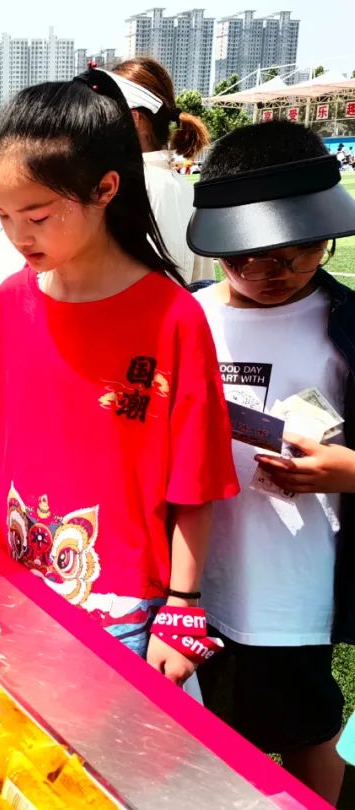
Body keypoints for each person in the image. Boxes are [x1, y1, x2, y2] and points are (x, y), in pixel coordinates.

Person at [0, 69, 239, 681]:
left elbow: (197, 479)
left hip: (121, 607)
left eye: (37, 215)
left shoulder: (172, 318)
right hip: (12, 582)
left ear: (105, 188)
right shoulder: (11, 301)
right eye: (3, 216)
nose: (17, 236)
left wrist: (183, 606)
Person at [187, 121, 355, 805]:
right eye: (250, 259)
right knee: (205, 731)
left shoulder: (344, 324)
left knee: (307, 723)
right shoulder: (189, 317)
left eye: (301, 252)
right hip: (195, 577)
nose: (275, 273)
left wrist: (347, 471)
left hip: (295, 582)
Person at [110, 58, 214, 285]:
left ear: (133, 118)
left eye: (106, 111)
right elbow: (203, 285)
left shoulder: (122, 189)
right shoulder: (188, 191)